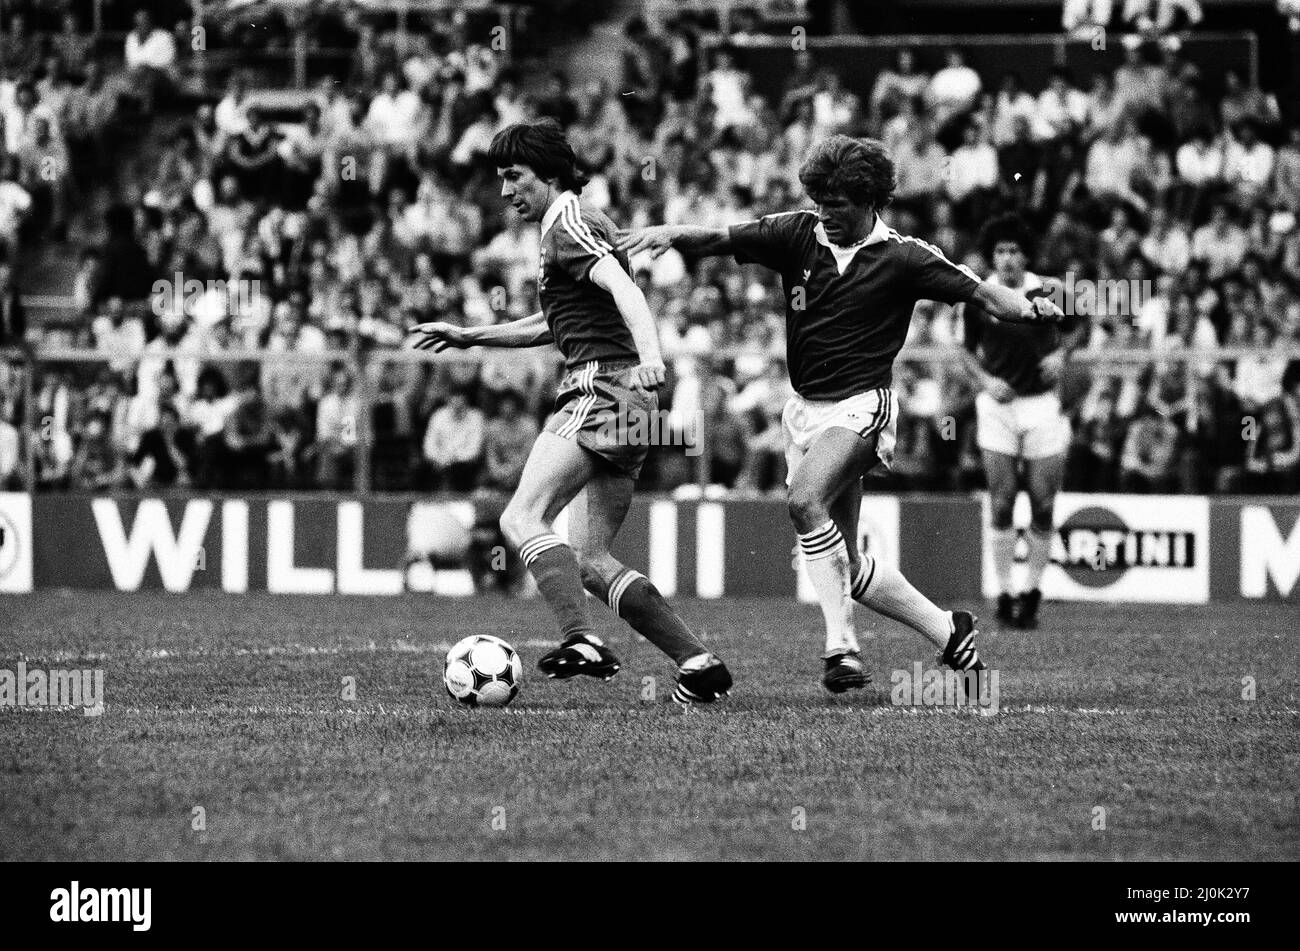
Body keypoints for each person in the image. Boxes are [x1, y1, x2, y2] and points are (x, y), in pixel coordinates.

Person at [619, 134, 1063, 694]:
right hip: (804, 410)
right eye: (821, 200)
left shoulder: (905, 257)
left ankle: (841, 648)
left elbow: (982, 293)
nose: (826, 213)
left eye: (839, 204)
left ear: (870, 202)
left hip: (862, 406)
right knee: (846, 566)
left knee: (803, 500)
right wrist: (668, 234)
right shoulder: (796, 233)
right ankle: (949, 631)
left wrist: (1029, 307)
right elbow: (718, 237)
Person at [409, 119, 732, 705]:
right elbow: (553, 323)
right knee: (591, 560)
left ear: (549, 174)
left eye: (514, 177)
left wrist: (653, 354)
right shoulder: (576, 223)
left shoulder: (566, 220)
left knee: (520, 518)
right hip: (635, 404)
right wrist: (469, 336)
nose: (506, 192)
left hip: (603, 386)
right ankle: (697, 661)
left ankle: (580, 639)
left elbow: (624, 290)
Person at [957, 215, 1086, 630]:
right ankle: (1005, 590)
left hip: (1041, 405)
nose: (1008, 259)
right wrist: (986, 380)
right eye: (1000, 251)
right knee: (1002, 499)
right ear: (992, 255)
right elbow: (965, 352)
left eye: (1014, 251)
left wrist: (1061, 355)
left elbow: (1080, 327)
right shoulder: (979, 296)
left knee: (1044, 502)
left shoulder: (1051, 290)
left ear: (1025, 255)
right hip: (997, 408)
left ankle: (1032, 589)